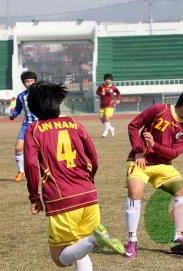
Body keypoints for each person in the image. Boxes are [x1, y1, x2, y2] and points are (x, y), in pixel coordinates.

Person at [24, 82, 124, 270]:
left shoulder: (34, 130)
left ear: (33, 107)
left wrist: (34, 197)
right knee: (79, 247)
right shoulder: (73, 123)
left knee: (59, 258)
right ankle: (93, 239)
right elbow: (93, 156)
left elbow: (30, 164)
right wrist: (89, 181)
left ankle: (95, 239)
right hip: (88, 194)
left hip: (62, 198)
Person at [124, 88, 183, 258]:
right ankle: (132, 241)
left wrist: (154, 145)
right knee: (135, 191)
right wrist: (139, 151)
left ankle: (178, 239)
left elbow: (174, 153)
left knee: (182, 191)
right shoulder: (159, 109)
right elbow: (133, 126)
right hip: (141, 161)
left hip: (163, 165)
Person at [9, 71, 38, 182]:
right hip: (27, 125)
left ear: (35, 81)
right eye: (27, 81)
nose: (29, 83)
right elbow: (17, 109)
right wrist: (13, 115)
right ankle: (21, 171)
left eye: (31, 81)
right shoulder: (21, 96)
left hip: (41, 124)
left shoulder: (41, 94)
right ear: (24, 83)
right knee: (18, 148)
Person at [96, 73, 121, 137]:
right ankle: (110, 128)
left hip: (110, 105)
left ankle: (105, 132)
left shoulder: (113, 88)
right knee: (102, 119)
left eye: (109, 79)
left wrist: (118, 99)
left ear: (111, 80)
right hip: (102, 105)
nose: (107, 80)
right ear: (104, 80)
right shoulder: (101, 86)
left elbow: (118, 92)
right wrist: (101, 93)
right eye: (106, 79)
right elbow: (97, 92)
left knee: (107, 118)